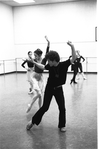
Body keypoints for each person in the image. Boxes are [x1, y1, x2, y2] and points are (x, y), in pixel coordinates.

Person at [26, 41, 77, 132]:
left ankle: (62, 125)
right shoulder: (50, 66)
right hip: (49, 88)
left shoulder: (63, 65)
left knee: (62, 108)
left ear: (54, 61)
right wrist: (34, 62)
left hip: (58, 89)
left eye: (49, 60)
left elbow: (74, 57)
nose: (48, 62)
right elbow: (42, 67)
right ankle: (33, 121)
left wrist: (72, 46)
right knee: (45, 107)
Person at [26, 36, 50, 112]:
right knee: (39, 93)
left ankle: (39, 109)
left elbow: (47, 51)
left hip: (41, 78)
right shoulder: (34, 60)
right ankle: (31, 105)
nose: (34, 57)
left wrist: (48, 42)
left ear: (39, 55)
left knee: (40, 95)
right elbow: (29, 60)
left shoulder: (44, 60)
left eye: (36, 55)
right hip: (34, 77)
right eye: (34, 55)